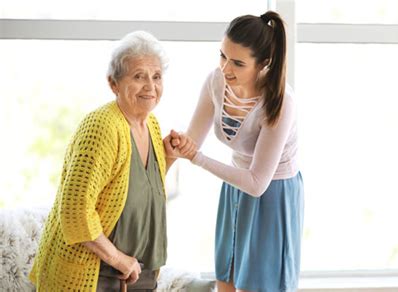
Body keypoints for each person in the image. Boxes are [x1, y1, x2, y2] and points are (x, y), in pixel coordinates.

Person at [29, 31, 195, 291]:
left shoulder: (150, 123)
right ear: (113, 83)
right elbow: (75, 210)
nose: (150, 86)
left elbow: (138, 191)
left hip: (140, 271)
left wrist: (168, 157)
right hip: (97, 274)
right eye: (139, 76)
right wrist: (120, 260)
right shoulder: (102, 126)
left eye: (156, 76)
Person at [165, 11, 304, 292]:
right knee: (226, 278)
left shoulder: (280, 102)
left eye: (238, 63)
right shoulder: (216, 82)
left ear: (264, 63)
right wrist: (178, 145)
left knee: (257, 285)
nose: (226, 68)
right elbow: (193, 140)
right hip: (234, 187)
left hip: (272, 194)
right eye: (222, 56)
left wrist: (198, 158)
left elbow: (256, 183)